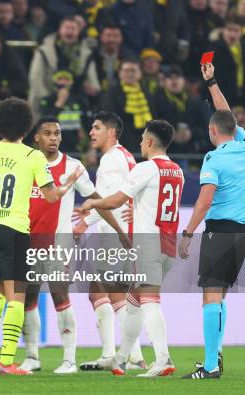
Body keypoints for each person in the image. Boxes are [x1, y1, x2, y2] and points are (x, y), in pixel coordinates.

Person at [0, 98, 82, 375]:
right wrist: (68, 183)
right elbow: (51, 196)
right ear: (27, 128)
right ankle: (6, 361)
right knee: (17, 296)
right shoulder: (33, 157)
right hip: (15, 230)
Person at [19, 117, 128, 374]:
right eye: (47, 133)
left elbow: (96, 199)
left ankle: (69, 360)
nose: (54, 138)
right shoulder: (24, 163)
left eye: (57, 133)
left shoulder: (73, 166)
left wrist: (119, 229)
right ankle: (32, 356)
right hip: (26, 240)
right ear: (36, 138)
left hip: (59, 242)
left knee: (60, 294)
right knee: (28, 297)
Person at [81, 119, 184, 377]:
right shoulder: (177, 170)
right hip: (168, 243)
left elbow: (116, 199)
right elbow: (155, 203)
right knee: (133, 304)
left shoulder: (145, 168)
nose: (140, 143)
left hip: (147, 243)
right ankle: (122, 358)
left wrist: (93, 204)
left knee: (149, 302)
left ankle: (163, 359)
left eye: (142, 138)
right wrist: (136, 210)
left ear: (149, 141)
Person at [179, 63, 245, 379]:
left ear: (212, 131)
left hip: (219, 231)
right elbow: (227, 116)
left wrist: (187, 232)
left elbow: (205, 199)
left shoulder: (214, 158)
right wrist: (212, 82)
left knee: (210, 296)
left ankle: (210, 366)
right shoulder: (244, 147)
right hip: (241, 232)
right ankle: (214, 359)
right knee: (218, 297)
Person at [73, 111, 146, 371]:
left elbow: (111, 200)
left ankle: (130, 357)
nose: (91, 132)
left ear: (111, 132)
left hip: (115, 235)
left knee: (114, 296)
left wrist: (85, 221)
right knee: (102, 291)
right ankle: (116, 355)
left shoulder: (111, 160)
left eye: (96, 127)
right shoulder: (124, 156)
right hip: (123, 234)